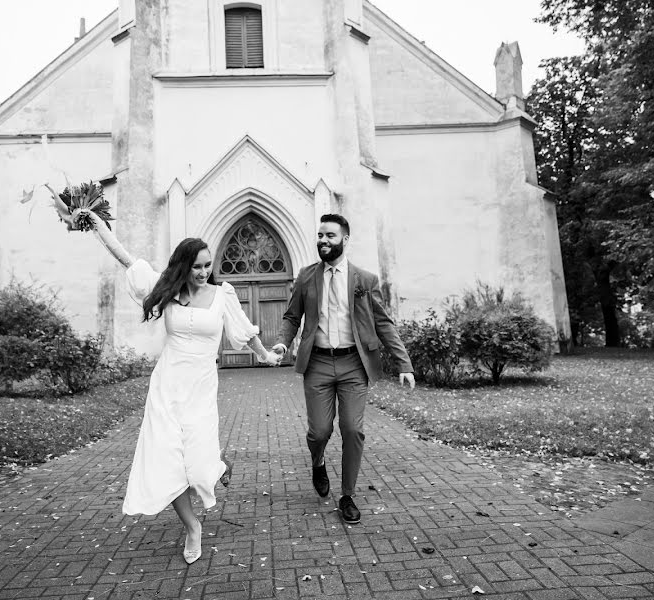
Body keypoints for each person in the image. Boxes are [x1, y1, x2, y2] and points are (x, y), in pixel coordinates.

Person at [87, 212, 281, 564]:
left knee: (198, 462)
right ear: (183, 266)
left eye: (207, 265)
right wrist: (98, 227)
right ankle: (193, 527)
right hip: (166, 385)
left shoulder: (223, 294)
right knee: (167, 458)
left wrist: (267, 356)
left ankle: (215, 465)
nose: (203, 272)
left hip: (201, 388)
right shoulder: (168, 291)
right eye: (196, 266)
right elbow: (127, 259)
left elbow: (243, 331)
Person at [272, 213, 415, 524]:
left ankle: (347, 494)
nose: (323, 240)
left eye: (330, 236)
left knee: (353, 429)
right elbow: (292, 317)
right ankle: (318, 460)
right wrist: (284, 342)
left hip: (353, 364)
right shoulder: (307, 277)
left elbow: (383, 323)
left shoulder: (364, 280)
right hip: (318, 364)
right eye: (320, 235)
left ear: (345, 240)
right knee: (319, 431)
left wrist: (403, 363)